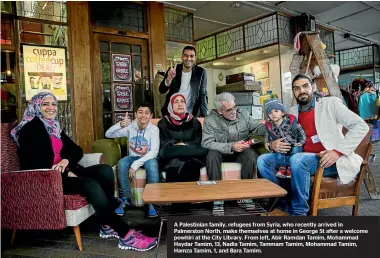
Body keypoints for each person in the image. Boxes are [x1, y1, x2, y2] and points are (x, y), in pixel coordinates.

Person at [11, 92, 157, 251]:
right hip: (47, 179)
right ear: (36, 106)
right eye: (45, 104)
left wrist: (66, 160)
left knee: (106, 171)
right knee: (91, 185)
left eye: (53, 104)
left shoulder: (53, 127)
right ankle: (126, 235)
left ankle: (106, 224)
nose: (51, 108)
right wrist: (66, 172)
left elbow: (76, 150)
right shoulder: (30, 129)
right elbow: (33, 163)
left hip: (65, 171)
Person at [257, 74, 369, 216]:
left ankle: (299, 212)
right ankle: (280, 202)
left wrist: (337, 152)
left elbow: (360, 126)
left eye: (305, 86)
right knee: (263, 161)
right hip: (296, 157)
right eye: (296, 88)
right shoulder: (291, 112)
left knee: (298, 160)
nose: (301, 91)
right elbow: (274, 132)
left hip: (327, 160)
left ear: (313, 87)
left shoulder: (330, 104)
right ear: (293, 92)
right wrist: (272, 144)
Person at [201, 92, 266, 215]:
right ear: (220, 111)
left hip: (240, 151)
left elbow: (258, 128)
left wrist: (271, 123)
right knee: (211, 155)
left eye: (235, 107)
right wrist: (231, 146)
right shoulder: (210, 120)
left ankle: (245, 195)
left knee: (250, 154)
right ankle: (217, 199)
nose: (234, 111)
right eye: (229, 110)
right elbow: (206, 143)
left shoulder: (244, 115)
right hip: (220, 151)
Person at [105, 104, 159, 218]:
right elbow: (108, 134)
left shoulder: (154, 129)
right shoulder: (130, 128)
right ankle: (125, 199)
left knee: (152, 165)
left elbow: (154, 152)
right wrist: (120, 125)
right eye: (140, 112)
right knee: (122, 163)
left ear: (150, 116)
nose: (143, 115)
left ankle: (152, 202)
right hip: (133, 157)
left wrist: (135, 165)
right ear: (135, 114)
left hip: (148, 157)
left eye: (146, 113)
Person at [158, 93, 207, 182]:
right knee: (173, 160)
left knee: (191, 163)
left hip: (191, 157)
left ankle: (189, 194)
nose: (180, 104)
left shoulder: (194, 122)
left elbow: (198, 141)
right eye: (176, 102)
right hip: (172, 155)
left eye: (182, 101)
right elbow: (163, 142)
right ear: (171, 105)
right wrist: (176, 144)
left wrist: (183, 144)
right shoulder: (163, 123)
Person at [159, 46, 208, 117]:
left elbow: (203, 95)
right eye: (186, 56)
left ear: (195, 58)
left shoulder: (201, 72)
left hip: (191, 114)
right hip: (172, 113)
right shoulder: (173, 70)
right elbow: (161, 90)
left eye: (191, 56)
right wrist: (168, 79)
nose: (189, 58)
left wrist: (206, 116)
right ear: (182, 57)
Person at [263, 98, 306, 178]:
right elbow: (267, 138)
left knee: (296, 151)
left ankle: (290, 169)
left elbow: (301, 132)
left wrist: (301, 142)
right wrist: (270, 145)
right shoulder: (270, 127)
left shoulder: (291, 122)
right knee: (279, 154)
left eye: (276, 111)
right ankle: (282, 169)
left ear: (282, 113)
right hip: (282, 146)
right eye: (270, 113)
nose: (273, 114)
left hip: (294, 145)